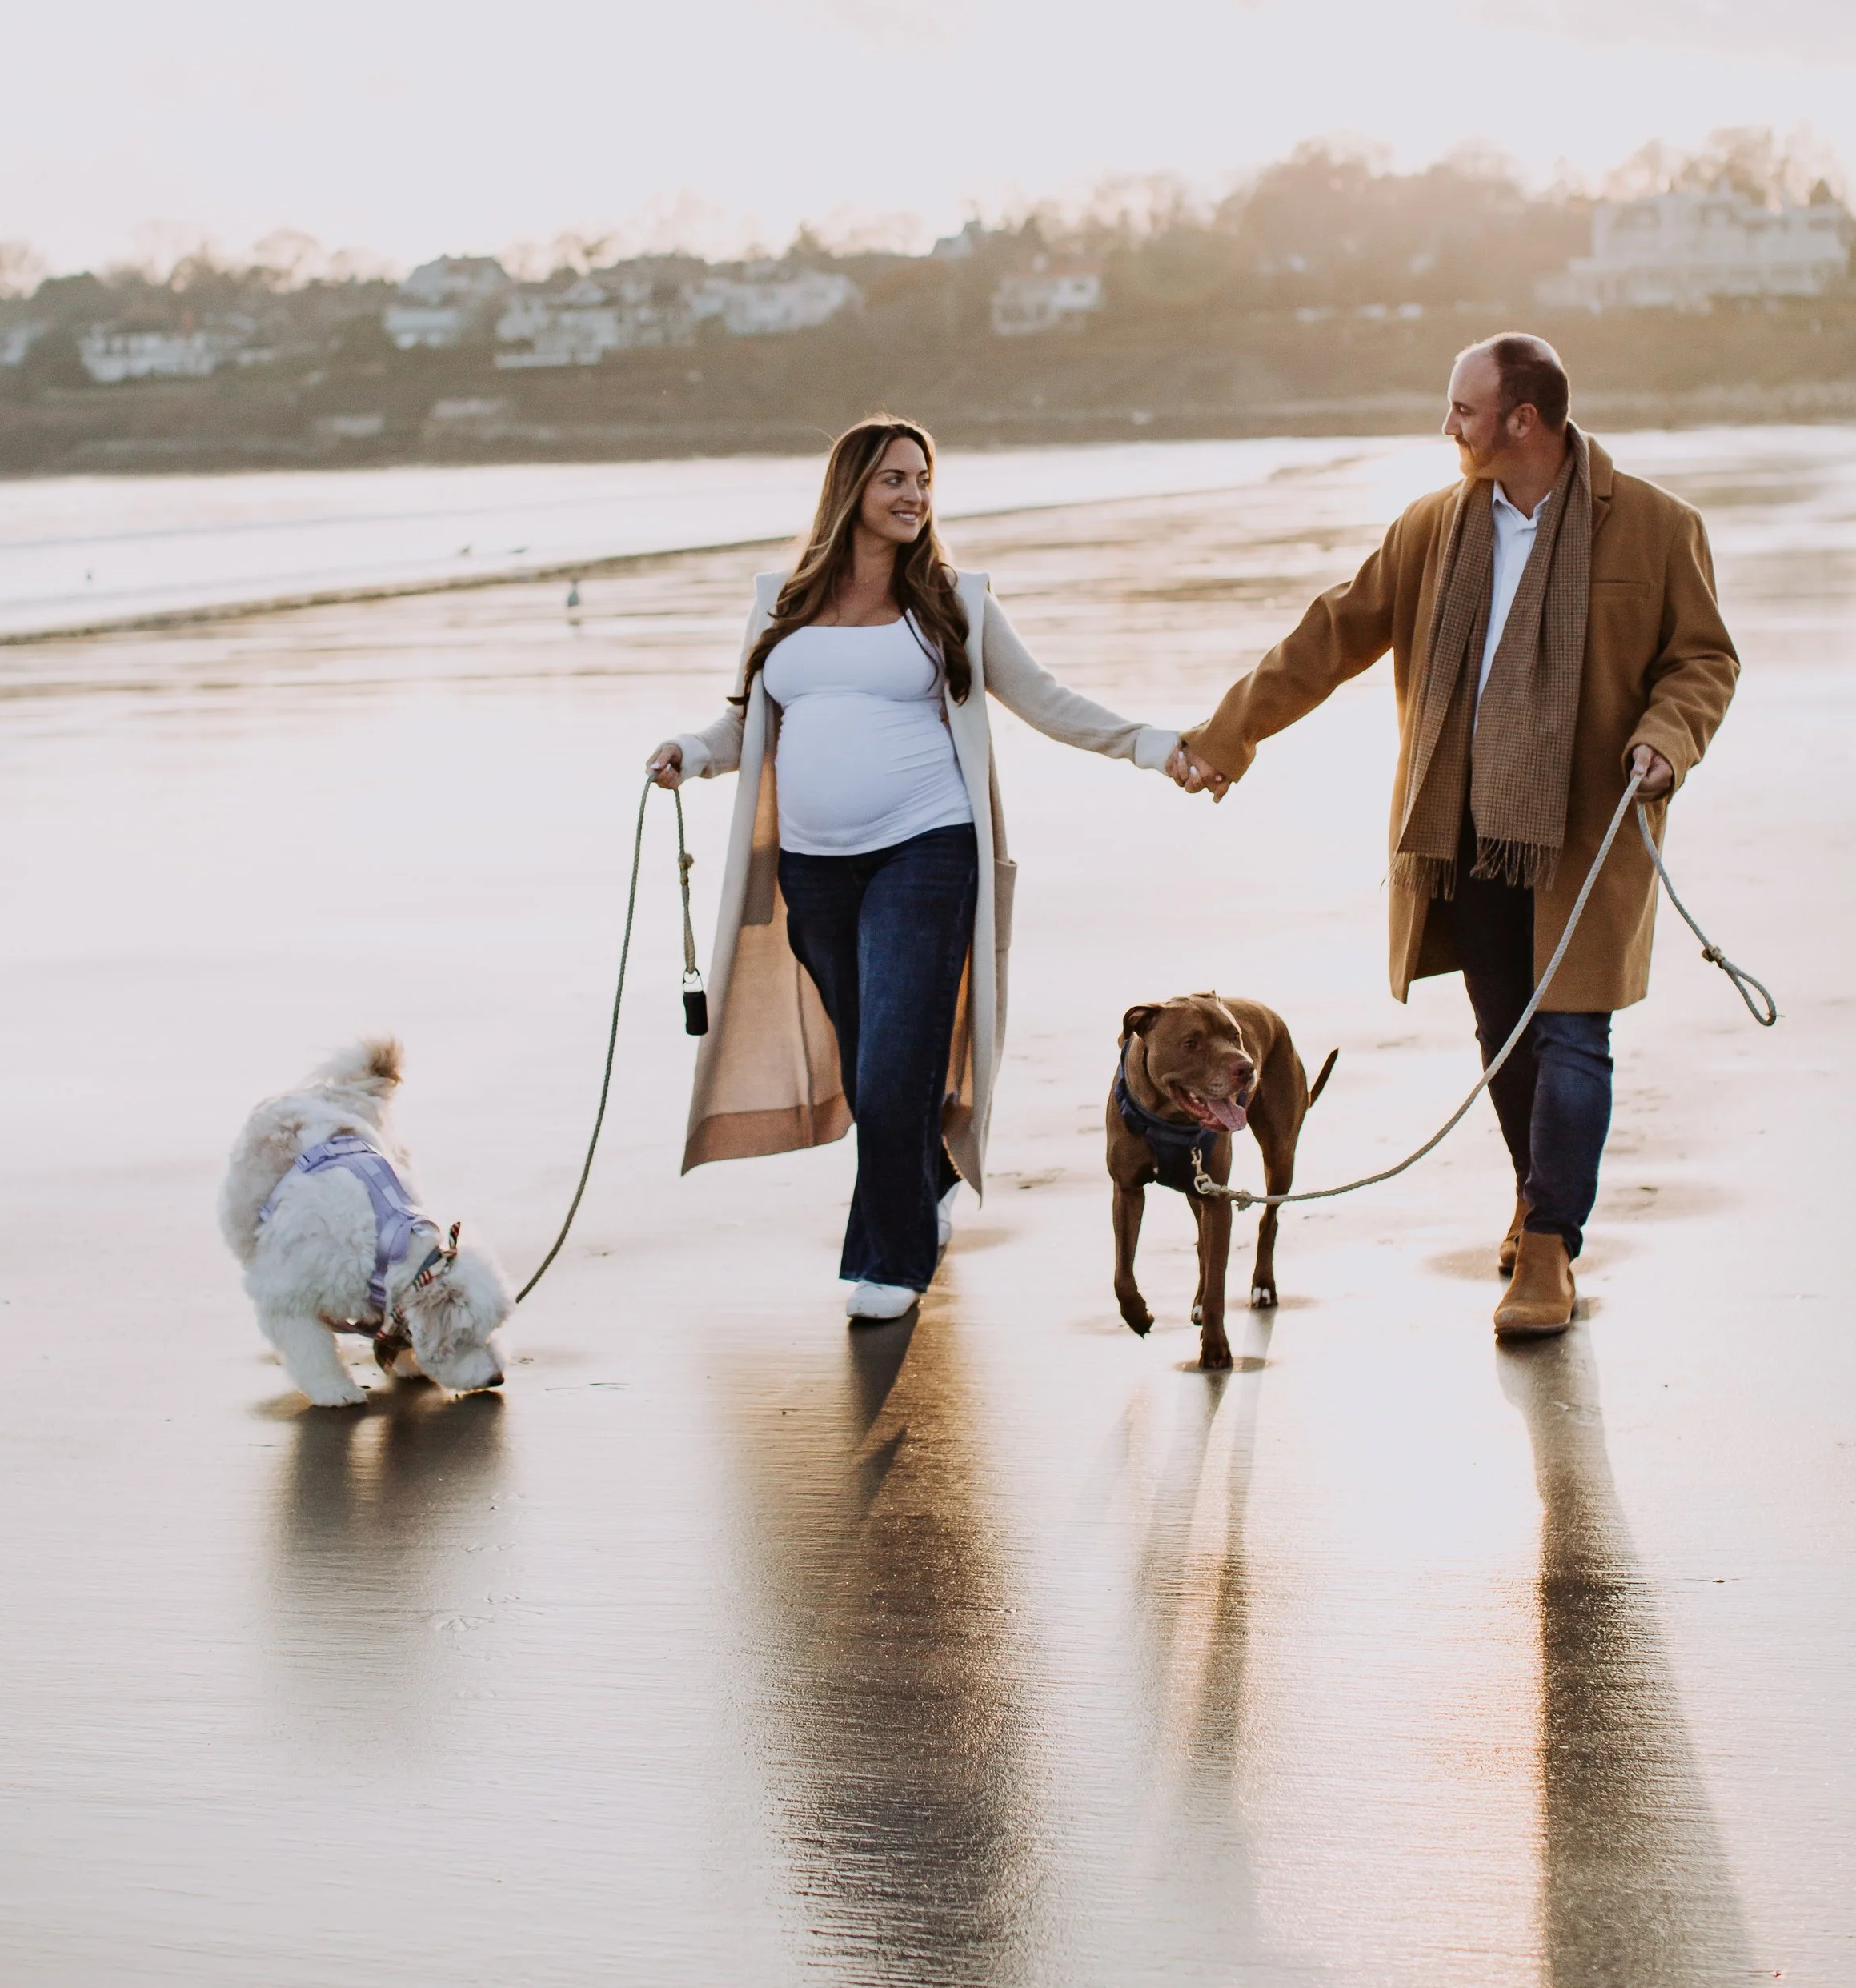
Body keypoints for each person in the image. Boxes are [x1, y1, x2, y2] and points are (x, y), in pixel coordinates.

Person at [1168, 335, 1739, 1339]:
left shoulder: (1652, 526)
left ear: (1525, 420)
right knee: (1504, 1030)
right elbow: (1332, 633)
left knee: (1573, 1029)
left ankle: (1551, 1244)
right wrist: (1228, 733)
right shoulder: (1433, 527)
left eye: (1463, 412)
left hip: (1588, 828)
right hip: (1462, 826)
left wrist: (1664, 740)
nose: (1448, 428)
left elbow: (1700, 661)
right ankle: (1533, 1186)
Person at [647, 414, 1185, 1323]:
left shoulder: (954, 601)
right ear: (850, 488)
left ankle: (891, 1258)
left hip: (925, 850)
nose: (914, 496)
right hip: (814, 870)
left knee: (896, 1064)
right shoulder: (780, 599)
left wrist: (1151, 744)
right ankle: (928, 1174)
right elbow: (747, 720)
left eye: (924, 481)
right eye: (895, 478)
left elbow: (1042, 698)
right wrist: (692, 753)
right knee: (871, 1070)